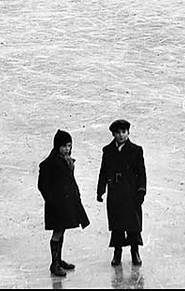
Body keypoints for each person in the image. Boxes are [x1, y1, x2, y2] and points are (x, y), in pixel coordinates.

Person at [38, 129, 89, 277]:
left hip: (66, 203)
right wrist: (52, 201)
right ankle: (54, 264)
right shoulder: (49, 163)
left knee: (62, 231)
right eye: (64, 146)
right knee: (57, 232)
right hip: (57, 205)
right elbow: (42, 185)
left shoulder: (66, 160)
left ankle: (58, 260)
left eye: (69, 145)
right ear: (57, 146)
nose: (67, 149)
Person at [97, 119, 147, 266]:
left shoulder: (136, 150)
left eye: (123, 132)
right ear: (113, 134)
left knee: (133, 225)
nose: (121, 135)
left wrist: (141, 191)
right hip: (115, 194)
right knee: (117, 225)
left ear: (128, 132)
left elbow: (142, 172)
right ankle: (117, 252)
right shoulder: (107, 151)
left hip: (131, 194)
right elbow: (103, 172)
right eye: (118, 132)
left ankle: (135, 251)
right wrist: (100, 190)